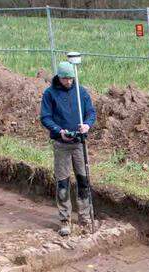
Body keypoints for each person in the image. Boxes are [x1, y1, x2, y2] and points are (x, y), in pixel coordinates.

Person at [39, 61, 96, 236]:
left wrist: (86, 125)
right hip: (61, 145)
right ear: (59, 77)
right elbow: (45, 118)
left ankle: (85, 217)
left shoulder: (81, 93)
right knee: (63, 182)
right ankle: (65, 219)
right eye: (65, 79)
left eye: (71, 79)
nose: (69, 82)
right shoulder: (50, 94)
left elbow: (91, 113)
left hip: (79, 144)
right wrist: (59, 131)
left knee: (83, 181)